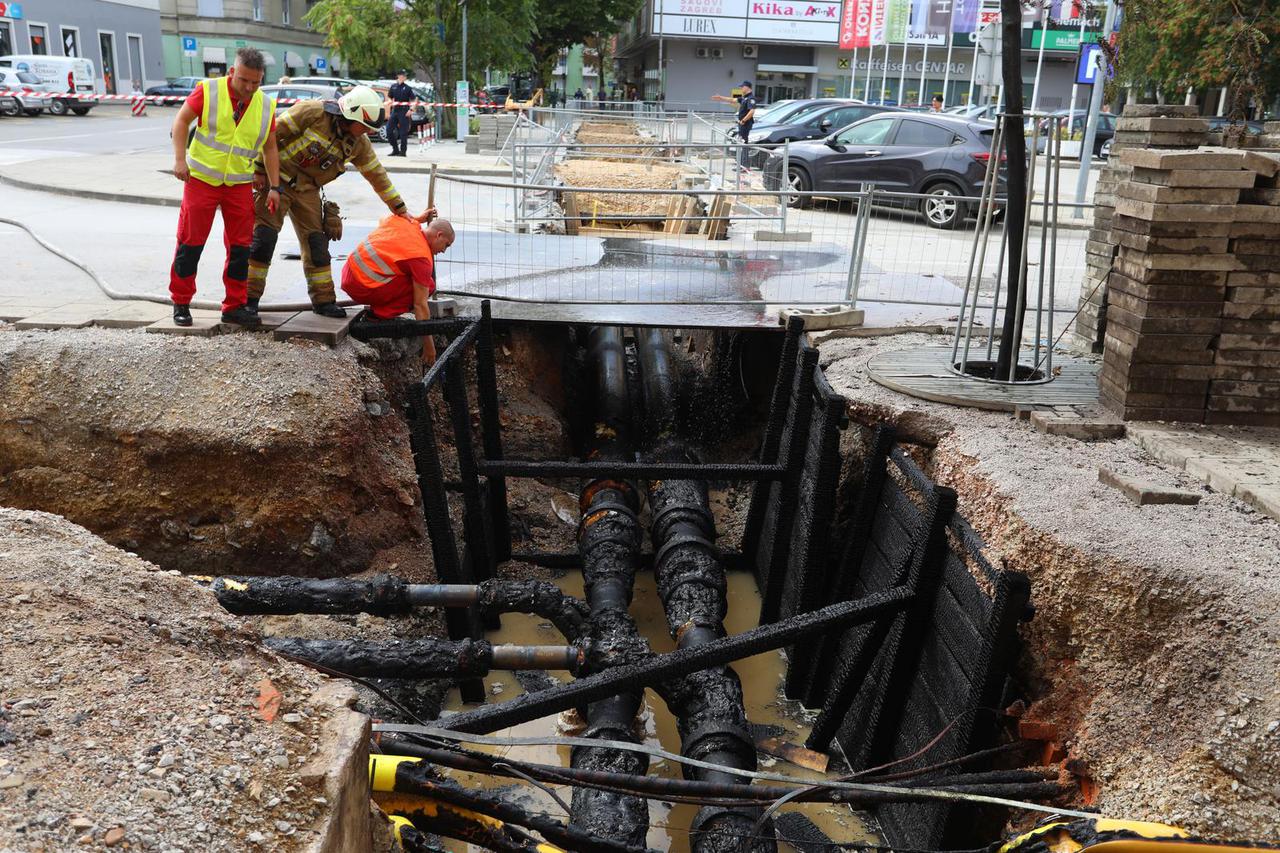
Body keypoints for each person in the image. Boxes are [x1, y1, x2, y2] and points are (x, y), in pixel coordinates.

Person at [247, 86, 410, 318]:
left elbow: (377, 176)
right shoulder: (311, 113)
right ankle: (249, 299)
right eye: (364, 126)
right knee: (263, 239)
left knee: (317, 245)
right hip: (277, 181)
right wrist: (260, 169)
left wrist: (400, 209)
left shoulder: (358, 143)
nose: (365, 132)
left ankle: (323, 301)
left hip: (307, 190)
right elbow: (269, 135)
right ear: (351, 114)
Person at [168, 47, 281, 327]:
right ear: (232, 72)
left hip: (239, 185)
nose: (250, 87)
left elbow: (270, 148)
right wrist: (180, 160)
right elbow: (181, 121)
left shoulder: (265, 106)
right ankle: (181, 302)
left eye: (256, 82)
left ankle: (234, 306)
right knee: (191, 242)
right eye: (244, 80)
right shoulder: (208, 90)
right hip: (202, 181)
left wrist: (275, 187)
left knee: (241, 248)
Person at [341, 205, 454, 365]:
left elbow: (385, 217)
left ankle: (379, 308)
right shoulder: (421, 257)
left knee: (411, 276)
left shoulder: (406, 222)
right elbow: (420, 305)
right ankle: (378, 315)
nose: (444, 251)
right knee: (428, 285)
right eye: (446, 245)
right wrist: (429, 346)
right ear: (439, 235)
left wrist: (418, 218)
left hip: (349, 273)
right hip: (362, 286)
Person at [711, 81, 756, 168]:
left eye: (742, 87)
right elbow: (732, 100)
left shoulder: (751, 98)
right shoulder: (744, 98)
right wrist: (721, 98)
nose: (741, 88)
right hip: (742, 125)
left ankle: (745, 166)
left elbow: (752, 111)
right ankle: (742, 165)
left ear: (747, 87)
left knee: (744, 145)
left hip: (745, 125)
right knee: (742, 144)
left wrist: (743, 121)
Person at [387, 70, 414, 157]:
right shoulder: (393, 86)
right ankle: (395, 149)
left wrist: (411, 110)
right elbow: (389, 97)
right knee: (389, 130)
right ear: (398, 76)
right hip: (395, 110)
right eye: (402, 76)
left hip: (404, 111)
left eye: (405, 76)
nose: (404, 77)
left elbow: (414, 100)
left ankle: (403, 152)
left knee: (403, 133)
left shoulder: (408, 88)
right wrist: (390, 101)